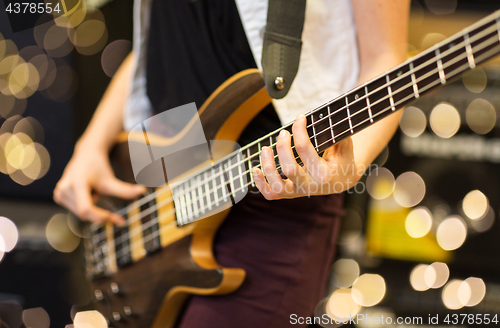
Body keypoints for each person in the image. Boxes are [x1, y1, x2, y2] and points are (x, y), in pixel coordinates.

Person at [54, 0, 410, 327]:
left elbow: (386, 56)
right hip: (155, 177)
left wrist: (349, 168)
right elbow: (166, 37)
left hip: (272, 198)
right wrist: (92, 143)